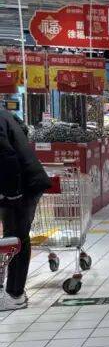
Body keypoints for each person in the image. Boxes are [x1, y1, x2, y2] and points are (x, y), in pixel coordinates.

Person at [0, 108, 53, 311]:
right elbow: (22, 128)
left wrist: (12, 193)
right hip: (22, 181)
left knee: (16, 237)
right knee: (14, 235)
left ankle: (16, 294)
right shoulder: (4, 114)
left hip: (23, 185)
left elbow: (6, 156)